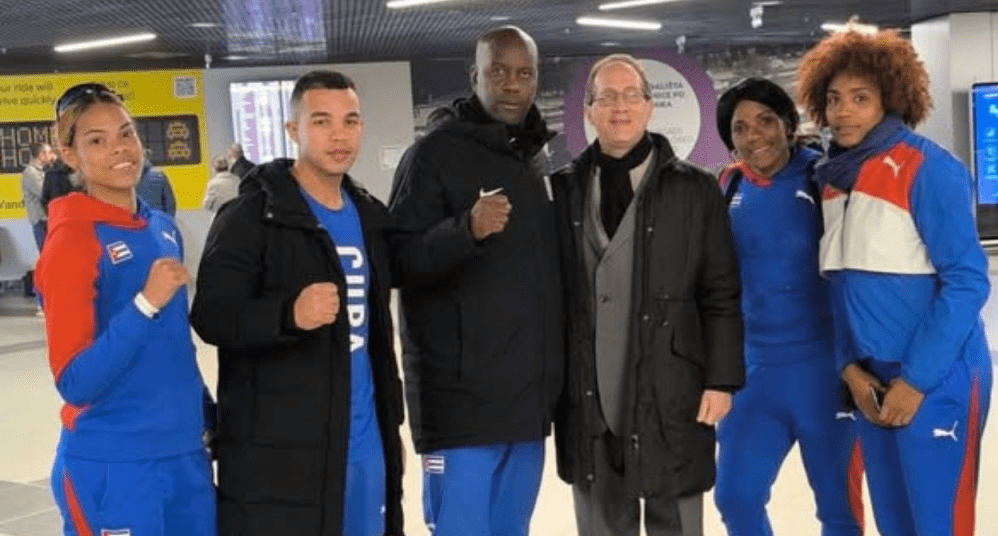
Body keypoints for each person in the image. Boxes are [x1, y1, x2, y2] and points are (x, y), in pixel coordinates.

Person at [795, 28, 992, 536]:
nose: (843, 112)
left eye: (860, 98)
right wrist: (849, 368)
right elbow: (837, 286)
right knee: (895, 521)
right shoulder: (835, 179)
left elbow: (967, 282)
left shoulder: (929, 168)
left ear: (891, 98)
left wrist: (916, 380)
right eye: (834, 99)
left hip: (937, 377)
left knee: (938, 522)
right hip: (872, 379)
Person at [191, 70, 405, 536]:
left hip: (365, 444)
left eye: (350, 121)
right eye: (322, 121)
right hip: (284, 455)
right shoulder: (250, 217)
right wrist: (287, 314)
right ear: (293, 130)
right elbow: (211, 316)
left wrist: (390, 431)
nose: (339, 135)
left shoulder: (368, 214)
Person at [550, 53, 743, 536]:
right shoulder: (562, 189)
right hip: (589, 391)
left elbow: (720, 290)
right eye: (607, 97)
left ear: (650, 107)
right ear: (588, 110)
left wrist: (721, 380)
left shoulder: (696, 190)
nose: (620, 106)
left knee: (675, 521)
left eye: (631, 94)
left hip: (672, 385)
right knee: (600, 522)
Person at [387, 25, 564, 536]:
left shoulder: (534, 159)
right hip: (460, 407)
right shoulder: (433, 155)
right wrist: (463, 230)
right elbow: (398, 260)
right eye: (498, 72)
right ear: (474, 77)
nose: (512, 85)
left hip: (525, 404)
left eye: (524, 74)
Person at [36, 82, 215, 536]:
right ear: (71, 155)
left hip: (184, 457)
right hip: (115, 466)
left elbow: (174, 345)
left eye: (126, 134)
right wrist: (144, 303)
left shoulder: (161, 228)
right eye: (97, 140)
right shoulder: (71, 242)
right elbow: (75, 382)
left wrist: (205, 412)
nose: (120, 149)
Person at [712, 77, 863, 536]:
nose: (754, 136)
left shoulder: (825, 178)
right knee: (735, 498)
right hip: (754, 372)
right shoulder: (728, 184)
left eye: (765, 122)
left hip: (824, 371)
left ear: (788, 124)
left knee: (839, 509)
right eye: (740, 128)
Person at [21, 142, 55, 250]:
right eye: (50, 153)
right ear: (42, 155)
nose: (53, 156)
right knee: (47, 256)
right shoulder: (31, 173)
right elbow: (46, 194)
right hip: (41, 222)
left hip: (47, 221)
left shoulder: (43, 171)